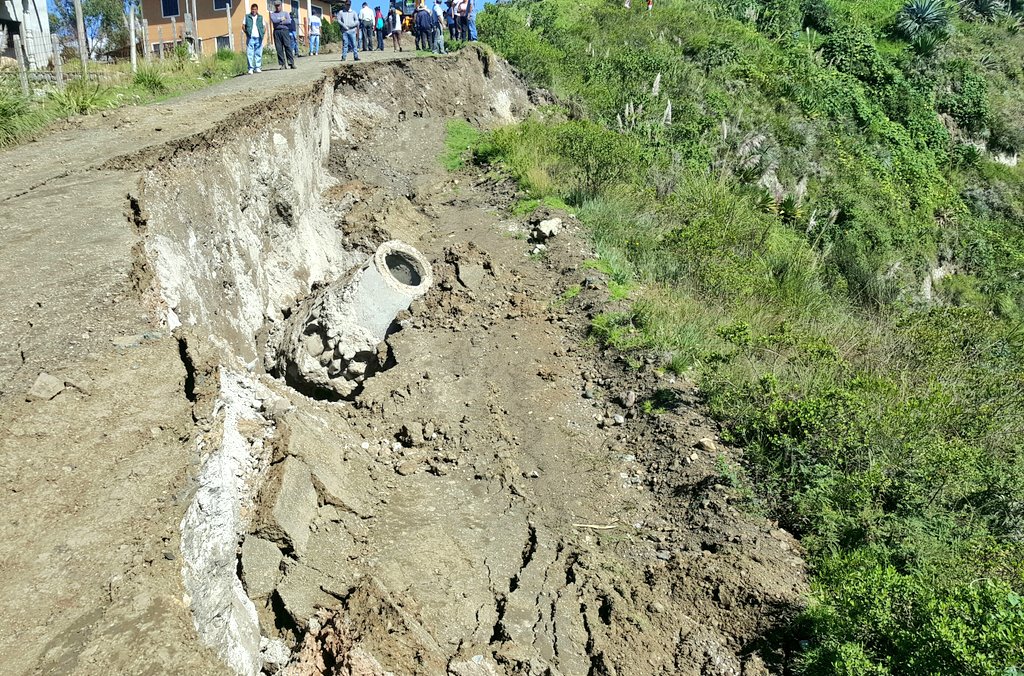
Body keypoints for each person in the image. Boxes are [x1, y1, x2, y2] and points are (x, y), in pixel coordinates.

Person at [270, 0, 296, 69]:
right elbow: (274, 21)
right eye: (276, 6)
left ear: (281, 5)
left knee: (287, 46)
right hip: (277, 32)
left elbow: (289, 21)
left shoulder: (286, 13)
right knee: (279, 48)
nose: (277, 7)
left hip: (285, 31)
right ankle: (282, 64)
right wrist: (282, 19)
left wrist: (280, 21)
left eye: (278, 5)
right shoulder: (273, 14)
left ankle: (291, 63)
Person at [243, 3, 265, 73]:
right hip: (251, 37)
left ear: (257, 10)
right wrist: (247, 33)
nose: (254, 11)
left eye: (255, 9)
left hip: (259, 37)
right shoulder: (247, 17)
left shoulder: (260, 17)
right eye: (253, 9)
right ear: (251, 9)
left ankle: (258, 67)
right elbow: (243, 25)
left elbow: (264, 26)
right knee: (250, 53)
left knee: (258, 52)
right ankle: (250, 68)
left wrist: (263, 33)